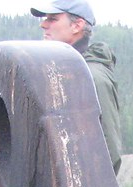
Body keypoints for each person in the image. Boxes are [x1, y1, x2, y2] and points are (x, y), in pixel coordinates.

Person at [30, 0, 122, 173]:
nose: (43, 24)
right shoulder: (62, 72)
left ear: (77, 25)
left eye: (53, 19)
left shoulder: (92, 78)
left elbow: (109, 154)